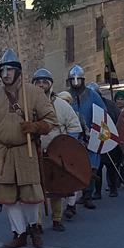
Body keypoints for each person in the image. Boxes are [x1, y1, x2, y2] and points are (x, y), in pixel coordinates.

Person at [0, 49, 59, 248]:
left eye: (9, 69)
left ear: (18, 72)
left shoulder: (33, 93)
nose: (5, 74)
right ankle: (19, 233)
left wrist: (36, 126)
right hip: (3, 153)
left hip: (26, 150)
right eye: (2, 70)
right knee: (9, 197)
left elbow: (51, 119)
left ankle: (34, 229)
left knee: (30, 193)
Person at [32, 69, 83, 230]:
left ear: (50, 84)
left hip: (56, 153)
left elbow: (74, 126)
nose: (41, 85)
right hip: (34, 153)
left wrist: (65, 147)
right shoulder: (28, 106)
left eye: (44, 82)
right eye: (38, 82)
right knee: (35, 189)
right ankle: (37, 223)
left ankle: (57, 219)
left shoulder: (61, 105)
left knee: (56, 188)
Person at [67, 64, 107, 208]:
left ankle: (88, 195)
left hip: (91, 135)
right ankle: (76, 196)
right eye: (73, 80)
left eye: (78, 79)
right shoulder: (66, 96)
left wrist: (96, 131)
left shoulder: (92, 95)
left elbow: (102, 113)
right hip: (73, 136)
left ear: (83, 80)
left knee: (91, 167)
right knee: (76, 167)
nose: (76, 83)